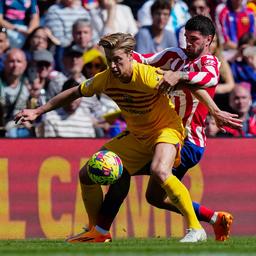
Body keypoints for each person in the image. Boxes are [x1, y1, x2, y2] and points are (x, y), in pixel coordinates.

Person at [15, 32, 208, 243]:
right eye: (109, 60)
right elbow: (74, 93)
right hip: (137, 136)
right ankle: (96, 231)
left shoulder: (148, 76)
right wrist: (37, 111)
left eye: (117, 60)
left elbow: (191, 86)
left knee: (160, 171)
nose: (113, 66)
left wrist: (215, 111)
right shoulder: (105, 79)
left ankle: (196, 228)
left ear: (130, 56)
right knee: (86, 174)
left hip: (166, 129)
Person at [63, 15, 242, 243]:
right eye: (186, 37)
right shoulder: (174, 55)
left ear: (209, 40)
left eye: (194, 39)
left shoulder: (210, 64)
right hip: (161, 133)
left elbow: (204, 78)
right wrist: (117, 49)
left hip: (187, 140)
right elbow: (141, 59)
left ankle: (192, 229)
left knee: (124, 171)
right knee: (153, 196)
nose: (188, 43)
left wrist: (206, 101)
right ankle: (216, 219)